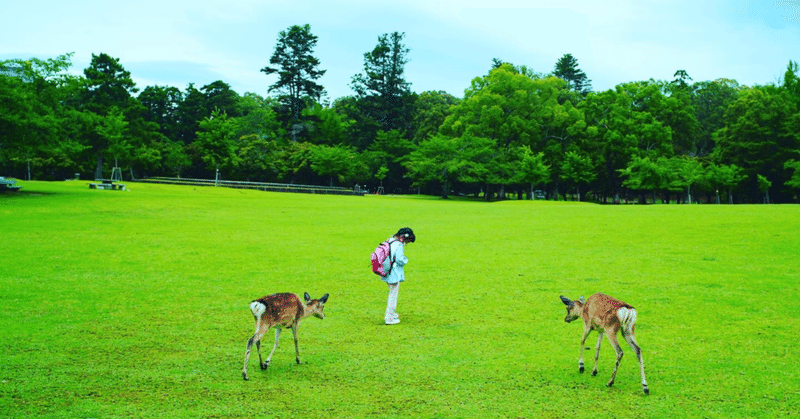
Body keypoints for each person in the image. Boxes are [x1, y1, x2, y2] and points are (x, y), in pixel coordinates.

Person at [381, 227, 415, 325]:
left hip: (386, 270)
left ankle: (392, 314)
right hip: (393, 273)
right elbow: (400, 259)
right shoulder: (398, 245)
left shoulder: (389, 240)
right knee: (393, 295)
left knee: (392, 292)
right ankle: (389, 318)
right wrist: (406, 260)